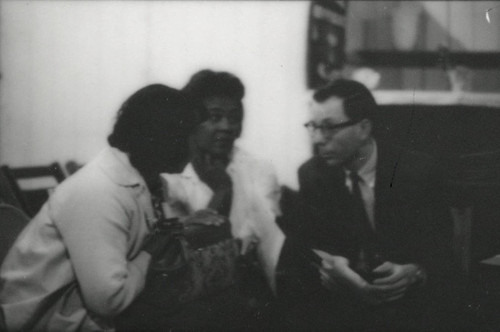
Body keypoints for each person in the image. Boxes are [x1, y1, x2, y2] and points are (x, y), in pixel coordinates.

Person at [0, 84, 203, 331]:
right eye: (191, 135)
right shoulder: (98, 190)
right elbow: (109, 299)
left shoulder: (140, 180)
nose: (197, 146)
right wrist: (151, 251)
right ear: (166, 137)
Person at [275, 79, 454, 331]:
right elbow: (310, 247)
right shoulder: (313, 175)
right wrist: (328, 266)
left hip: (407, 309)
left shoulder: (417, 174)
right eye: (313, 127)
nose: (318, 139)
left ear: (363, 128)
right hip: (345, 308)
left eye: (328, 128)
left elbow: (444, 258)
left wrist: (414, 272)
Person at [158, 69, 285, 330]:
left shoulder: (258, 169)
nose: (227, 127)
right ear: (191, 120)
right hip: (187, 302)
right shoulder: (168, 177)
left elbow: (264, 240)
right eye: (215, 118)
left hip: (248, 297)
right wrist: (221, 192)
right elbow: (180, 249)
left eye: (234, 118)